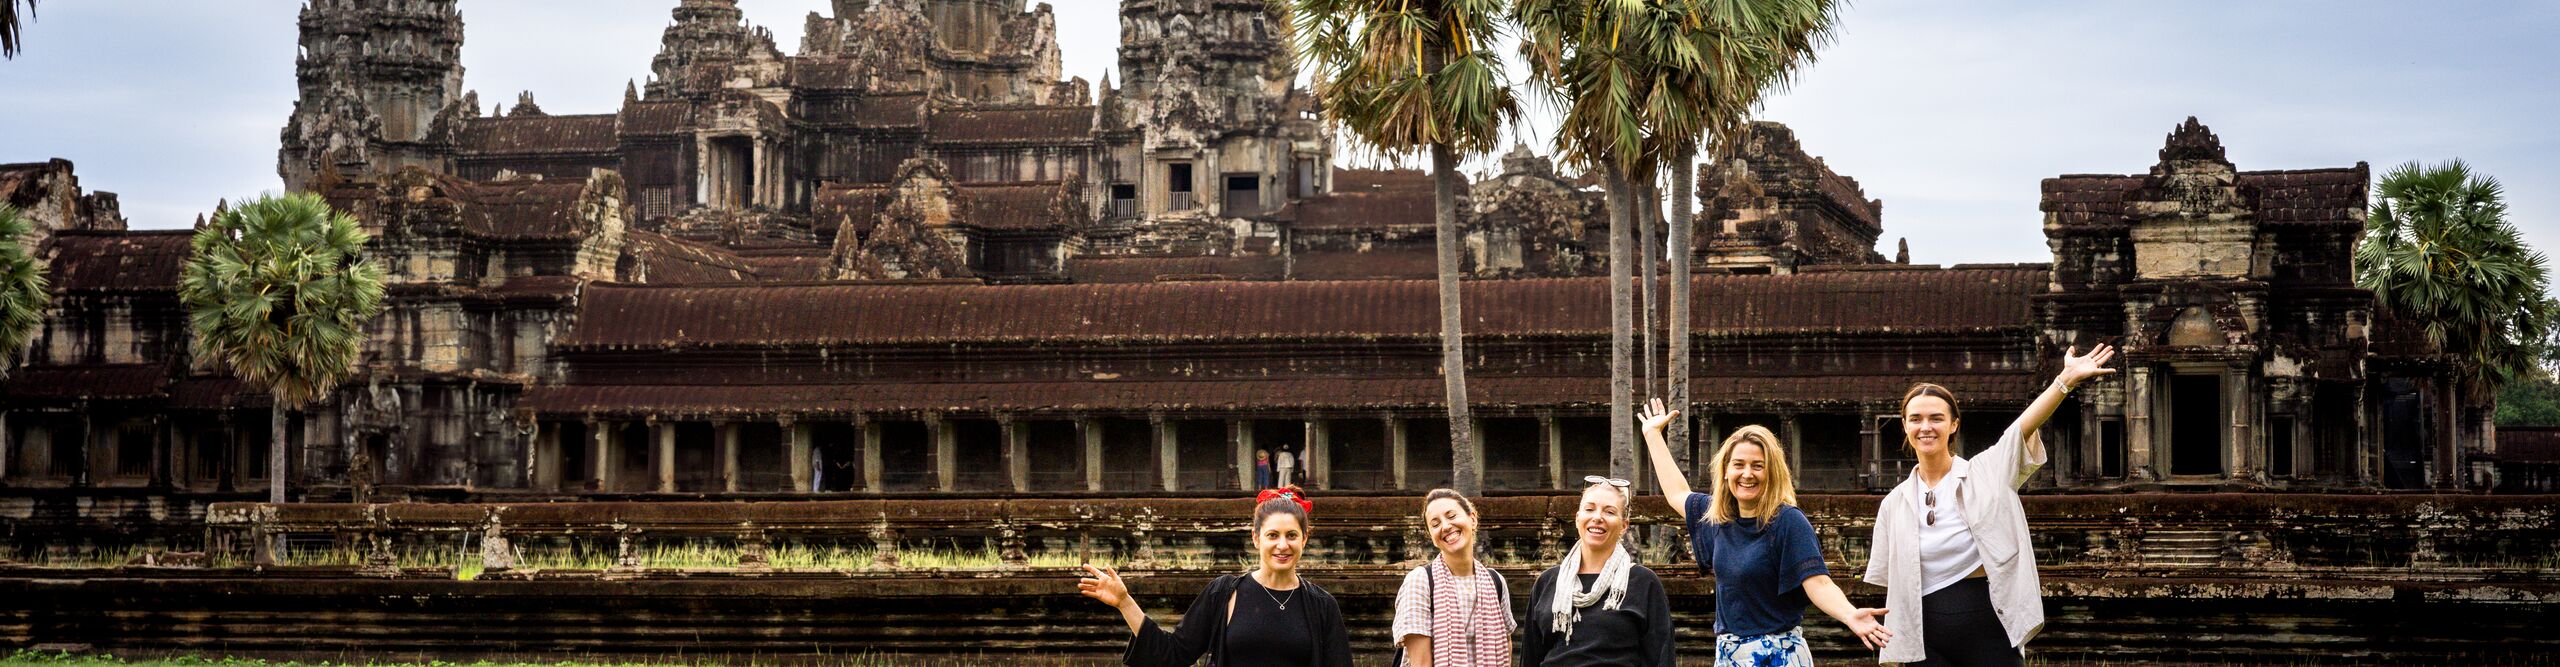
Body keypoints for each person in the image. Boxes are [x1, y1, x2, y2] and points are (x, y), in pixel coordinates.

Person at [1866, 344, 2116, 666]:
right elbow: (1893, 581)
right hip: (1923, 633)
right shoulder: (1894, 503)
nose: (1925, 427)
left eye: (1936, 418)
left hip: (1987, 624)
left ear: (1954, 425)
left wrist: (2064, 381)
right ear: (1905, 425)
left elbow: (2020, 429)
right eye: (1916, 419)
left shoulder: (1986, 472)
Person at [1637, 400, 1891, 665]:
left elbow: (1818, 583)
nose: (1747, 474)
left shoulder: (1788, 522)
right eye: (1738, 464)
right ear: (1725, 471)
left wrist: (1849, 614)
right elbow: (1676, 493)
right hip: (1729, 653)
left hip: (1778, 654)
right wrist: (1653, 435)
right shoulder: (1716, 516)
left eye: (1758, 466)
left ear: (1772, 473)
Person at [1079, 485, 1355, 667]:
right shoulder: (1224, 593)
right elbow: (1173, 654)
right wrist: (1124, 602)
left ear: (1304, 539)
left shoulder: (1322, 605)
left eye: (1291, 535)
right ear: (1256, 538)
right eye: (1273, 535)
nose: (1282, 545)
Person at [1520, 477, 1674, 667]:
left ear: (1624, 525)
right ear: (1578, 518)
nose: (1597, 517)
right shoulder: (1548, 582)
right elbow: (1530, 656)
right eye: (1589, 509)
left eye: (1609, 512)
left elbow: (1661, 658)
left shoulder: (1643, 582)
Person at [1392, 488, 1514, 667]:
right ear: (1432, 537)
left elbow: (1505, 645)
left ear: (1473, 519)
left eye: (1451, 516)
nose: (1446, 526)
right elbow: (1421, 663)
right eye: (1435, 524)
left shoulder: (1495, 582)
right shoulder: (1420, 581)